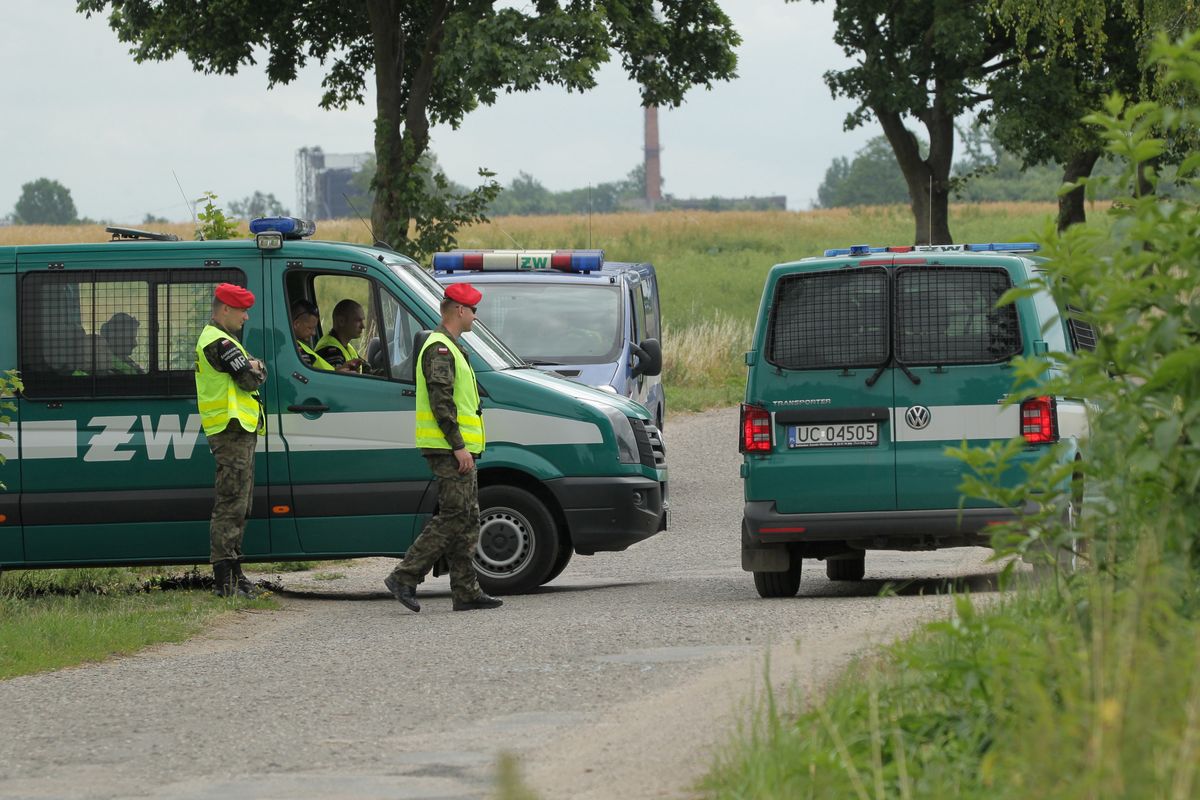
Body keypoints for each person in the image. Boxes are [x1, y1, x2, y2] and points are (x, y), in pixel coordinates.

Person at [383, 282, 502, 613]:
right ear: (460, 310)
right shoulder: (440, 350)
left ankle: (466, 591)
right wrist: (458, 446)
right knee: (453, 516)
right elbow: (442, 402)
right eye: (473, 311)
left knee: (467, 517)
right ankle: (404, 576)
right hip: (448, 448)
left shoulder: (451, 347)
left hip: (456, 448)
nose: (476, 317)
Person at [195, 283, 267, 598]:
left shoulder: (226, 340)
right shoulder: (220, 343)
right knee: (230, 504)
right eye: (242, 311)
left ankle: (236, 574)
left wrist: (255, 367)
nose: (246, 317)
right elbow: (251, 378)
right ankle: (224, 580)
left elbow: (256, 370)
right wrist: (255, 368)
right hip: (229, 431)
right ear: (225, 309)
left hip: (238, 431)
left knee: (241, 504)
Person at [316, 299, 367, 373]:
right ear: (341, 321)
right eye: (358, 321)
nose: (363, 326)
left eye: (363, 320)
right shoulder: (332, 351)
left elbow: (367, 369)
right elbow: (340, 382)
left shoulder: (347, 347)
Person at [291, 299, 334, 370]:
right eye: (310, 328)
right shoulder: (298, 351)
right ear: (296, 324)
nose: (314, 333)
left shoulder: (300, 347)